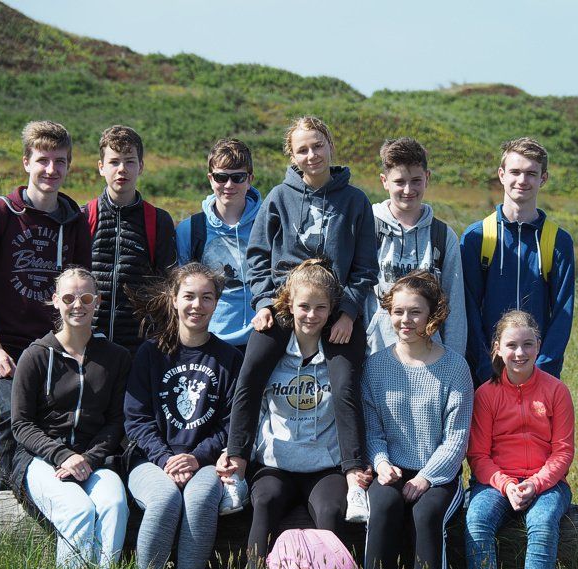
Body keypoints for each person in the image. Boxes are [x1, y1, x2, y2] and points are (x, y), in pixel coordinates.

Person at [223, 116, 377, 518]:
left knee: (344, 386)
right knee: (251, 375)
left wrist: (348, 313)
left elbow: (365, 267)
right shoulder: (278, 197)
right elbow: (256, 258)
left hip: (335, 312)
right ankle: (236, 469)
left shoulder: (356, 201)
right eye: (303, 149)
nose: (312, 155)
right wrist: (262, 305)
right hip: (285, 308)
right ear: (292, 155)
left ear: (330, 145)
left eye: (318, 145)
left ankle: (354, 478)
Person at [217, 259, 372, 569]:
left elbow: (350, 402)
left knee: (331, 511)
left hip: (324, 464)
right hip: (277, 464)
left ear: (332, 310)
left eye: (320, 308)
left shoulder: (340, 346)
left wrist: (355, 467)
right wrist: (236, 456)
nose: (311, 315)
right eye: (304, 307)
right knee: (264, 502)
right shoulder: (271, 344)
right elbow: (247, 397)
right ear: (289, 304)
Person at [0, 120, 91, 491]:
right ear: (26, 162)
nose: (51, 169)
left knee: (48, 420)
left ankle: (30, 496)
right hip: (1, 342)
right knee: (13, 414)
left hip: (50, 345)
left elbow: (80, 288)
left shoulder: (75, 222)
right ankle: (6, 497)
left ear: (69, 166)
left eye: (60, 161)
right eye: (43, 160)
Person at [123, 262, 244, 569]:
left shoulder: (229, 358)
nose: (197, 305)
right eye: (189, 296)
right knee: (164, 499)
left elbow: (231, 424)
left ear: (217, 303)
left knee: (200, 496)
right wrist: (165, 459)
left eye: (207, 297)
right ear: (173, 299)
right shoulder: (150, 353)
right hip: (150, 460)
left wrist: (196, 457)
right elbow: (136, 418)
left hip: (205, 462)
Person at [10, 267, 131, 569]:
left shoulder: (115, 357)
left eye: (86, 297)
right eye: (68, 297)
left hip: (94, 460)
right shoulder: (35, 356)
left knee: (115, 503)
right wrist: (63, 456)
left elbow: (117, 421)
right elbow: (21, 424)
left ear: (98, 302)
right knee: (78, 510)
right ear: (55, 301)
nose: (78, 304)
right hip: (42, 460)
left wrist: (88, 459)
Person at [362, 270, 473, 569]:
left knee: (426, 515)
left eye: (415, 312)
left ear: (433, 315)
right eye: (398, 311)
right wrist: (381, 464)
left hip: (438, 477)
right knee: (382, 508)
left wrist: (425, 478)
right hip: (392, 470)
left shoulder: (455, 368)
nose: (405, 320)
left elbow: (456, 439)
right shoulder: (376, 366)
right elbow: (372, 429)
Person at [465, 310, 574, 569]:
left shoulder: (557, 391)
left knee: (542, 523)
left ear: (538, 346)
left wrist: (536, 484)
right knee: (476, 519)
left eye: (528, 344)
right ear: (498, 348)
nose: (520, 353)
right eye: (511, 345)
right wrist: (506, 484)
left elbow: (562, 452)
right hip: (496, 483)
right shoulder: (486, 394)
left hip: (547, 485)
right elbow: (477, 455)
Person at [460, 137, 574, 383]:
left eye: (531, 173)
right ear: (501, 174)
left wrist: (542, 373)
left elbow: (563, 313)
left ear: (543, 178)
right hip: (486, 376)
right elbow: (468, 308)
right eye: (515, 172)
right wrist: (485, 367)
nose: (522, 180)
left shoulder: (558, 241)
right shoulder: (476, 237)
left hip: (539, 377)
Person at [365, 137, 466, 355]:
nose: (408, 190)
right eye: (399, 181)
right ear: (384, 181)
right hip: (374, 354)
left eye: (416, 180)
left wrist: (455, 362)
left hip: (430, 358)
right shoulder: (366, 227)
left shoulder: (443, 236)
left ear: (427, 178)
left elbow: (455, 307)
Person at [86, 125, 176, 355]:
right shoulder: (84, 216)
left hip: (138, 347)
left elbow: (166, 285)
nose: (122, 169)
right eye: (114, 162)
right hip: (88, 342)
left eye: (130, 161)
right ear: (101, 167)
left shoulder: (158, 220)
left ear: (141, 166)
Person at [175, 138, 261, 354]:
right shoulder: (190, 229)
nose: (229, 185)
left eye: (238, 177)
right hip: (207, 340)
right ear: (210, 179)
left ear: (250, 179)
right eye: (221, 177)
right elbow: (180, 289)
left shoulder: (268, 223)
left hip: (259, 338)